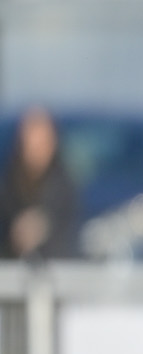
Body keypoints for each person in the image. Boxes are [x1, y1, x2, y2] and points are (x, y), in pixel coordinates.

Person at [0, 108, 79, 259]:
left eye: (41, 143)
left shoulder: (65, 186)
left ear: (52, 143)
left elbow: (69, 230)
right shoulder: (7, 184)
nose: (34, 150)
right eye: (29, 142)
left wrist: (42, 227)